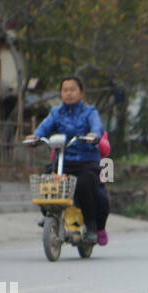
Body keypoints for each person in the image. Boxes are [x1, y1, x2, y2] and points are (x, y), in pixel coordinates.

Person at [28, 76, 109, 244]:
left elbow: (97, 127)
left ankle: (92, 225)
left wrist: (94, 135)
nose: (68, 93)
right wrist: (36, 137)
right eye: (65, 90)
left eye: (72, 89)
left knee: (84, 184)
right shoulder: (56, 113)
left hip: (87, 161)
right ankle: (51, 215)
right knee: (48, 182)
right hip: (63, 161)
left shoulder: (90, 112)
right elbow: (45, 127)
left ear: (81, 92)